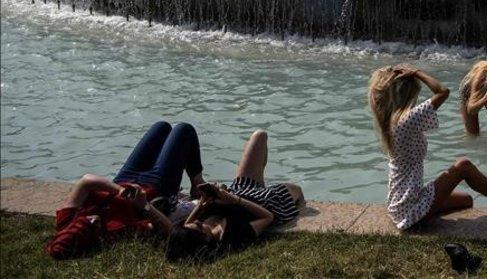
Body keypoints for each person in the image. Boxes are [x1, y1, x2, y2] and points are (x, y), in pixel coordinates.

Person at [368, 65, 487, 231]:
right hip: (410, 206)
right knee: (463, 166)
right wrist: (418, 72)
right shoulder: (407, 119)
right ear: (407, 93)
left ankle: (425, 211)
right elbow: (443, 92)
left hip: (401, 203)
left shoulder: (390, 120)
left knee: (466, 199)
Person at [46, 122, 206, 259]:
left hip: (124, 179)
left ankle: (197, 184)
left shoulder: (66, 221)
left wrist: (120, 190)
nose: (94, 219)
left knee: (161, 127)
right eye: (93, 226)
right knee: (184, 130)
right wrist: (144, 206)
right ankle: (197, 184)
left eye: (88, 220)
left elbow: (86, 181)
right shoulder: (113, 234)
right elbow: (168, 231)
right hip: (156, 188)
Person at [166, 130, 304, 262]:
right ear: (204, 240)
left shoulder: (193, 227)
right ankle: (266, 188)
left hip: (241, 189)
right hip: (267, 202)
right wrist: (235, 200)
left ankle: (259, 184)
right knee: (297, 191)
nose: (197, 221)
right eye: (199, 226)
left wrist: (205, 200)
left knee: (259, 136)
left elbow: (185, 226)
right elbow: (268, 217)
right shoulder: (233, 237)